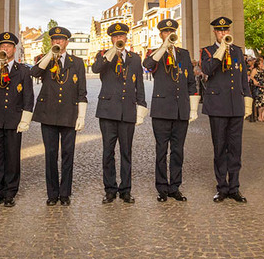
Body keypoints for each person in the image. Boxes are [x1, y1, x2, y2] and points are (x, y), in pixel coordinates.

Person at [31, 26, 87, 206]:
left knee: (67, 155)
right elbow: (34, 73)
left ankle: (65, 193)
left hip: (69, 114)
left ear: (67, 42)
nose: (57, 42)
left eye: (60, 40)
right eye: (54, 39)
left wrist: (81, 116)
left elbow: (82, 91)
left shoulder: (76, 62)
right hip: (48, 115)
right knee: (50, 155)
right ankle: (52, 194)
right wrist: (50, 55)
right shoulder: (45, 61)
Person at [141, 18, 196, 202]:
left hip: (181, 110)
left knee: (178, 151)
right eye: (165, 32)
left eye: (171, 32)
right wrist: (164, 47)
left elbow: (190, 83)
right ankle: (162, 187)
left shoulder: (184, 54)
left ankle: (175, 187)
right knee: (161, 151)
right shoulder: (156, 54)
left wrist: (193, 109)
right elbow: (147, 66)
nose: (169, 35)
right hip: (162, 111)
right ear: (160, 35)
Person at [92, 22, 146, 204]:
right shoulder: (103, 56)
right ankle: (109, 189)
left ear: (126, 38)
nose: (118, 39)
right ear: (111, 39)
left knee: (126, 152)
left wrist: (141, 106)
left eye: (121, 36)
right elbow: (96, 69)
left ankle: (126, 190)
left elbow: (139, 83)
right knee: (108, 152)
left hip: (127, 111)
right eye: (115, 37)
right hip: (107, 112)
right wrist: (111, 53)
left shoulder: (135, 58)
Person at [0, 32, 34, 207]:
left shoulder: (23, 70)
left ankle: (10, 192)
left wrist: (25, 119)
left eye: (8, 46)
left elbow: (28, 96)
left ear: (14, 49)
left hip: (13, 119)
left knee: (12, 157)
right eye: (2, 46)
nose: (5, 49)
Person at [199, 16, 249, 203]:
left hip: (235, 106)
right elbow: (208, 69)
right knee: (220, 148)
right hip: (217, 107)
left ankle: (234, 187)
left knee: (235, 149)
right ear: (215, 33)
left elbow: (243, 77)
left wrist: (248, 99)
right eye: (220, 31)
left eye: (226, 30)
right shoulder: (207, 51)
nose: (223, 34)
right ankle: (221, 187)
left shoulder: (237, 51)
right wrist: (220, 50)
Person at [248, 57, 264, 122]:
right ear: (257, 64)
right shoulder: (255, 70)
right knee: (261, 103)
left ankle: (263, 116)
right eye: (260, 64)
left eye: (262, 64)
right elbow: (251, 76)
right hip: (260, 87)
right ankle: (259, 116)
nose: (262, 65)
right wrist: (255, 80)